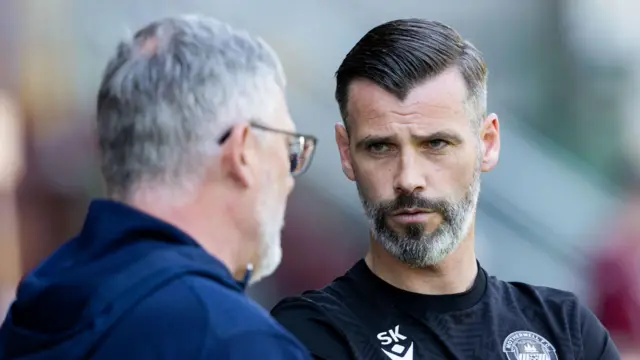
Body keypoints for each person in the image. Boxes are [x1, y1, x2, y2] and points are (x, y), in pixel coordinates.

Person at [271, 18, 619, 360]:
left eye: (435, 143)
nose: (408, 178)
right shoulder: (305, 337)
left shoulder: (566, 332)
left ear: (488, 143)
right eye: (380, 147)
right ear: (346, 153)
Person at [0, 15, 317, 359]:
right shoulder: (237, 343)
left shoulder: (35, 312)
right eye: (290, 150)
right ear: (242, 152)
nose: (289, 179)